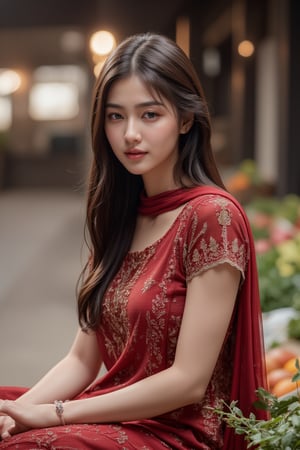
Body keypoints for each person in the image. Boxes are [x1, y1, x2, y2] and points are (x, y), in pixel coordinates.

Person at [0, 32, 268, 449]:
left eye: (149, 115)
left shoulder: (212, 217)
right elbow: (81, 360)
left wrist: (52, 414)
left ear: (184, 119)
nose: (129, 134)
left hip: (180, 431)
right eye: (115, 116)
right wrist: (15, 416)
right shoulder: (121, 216)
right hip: (111, 414)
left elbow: (189, 382)